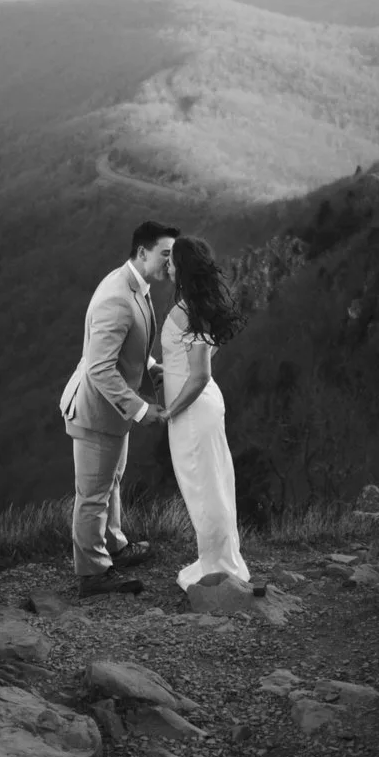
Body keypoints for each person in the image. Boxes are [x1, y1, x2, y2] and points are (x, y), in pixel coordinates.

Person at [58, 220, 177, 596]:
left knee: (111, 483)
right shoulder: (116, 296)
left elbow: (132, 348)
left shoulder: (135, 286)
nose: (170, 264)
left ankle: (114, 546)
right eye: (165, 255)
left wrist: (155, 369)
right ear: (143, 253)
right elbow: (99, 368)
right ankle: (92, 575)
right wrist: (142, 409)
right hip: (95, 412)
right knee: (92, 494)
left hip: (111, 413)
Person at [157, 233, 252, 591]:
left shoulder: (188, 311)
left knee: (205, 486)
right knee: (212, 482)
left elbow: (200, 375)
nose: (166, 265)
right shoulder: (196, 305)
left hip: (194, 412)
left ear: (182, 266)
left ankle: (219, 567)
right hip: (203, 406)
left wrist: (170, 412)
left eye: (171, 261)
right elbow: (200, 360)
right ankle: (217, 559)